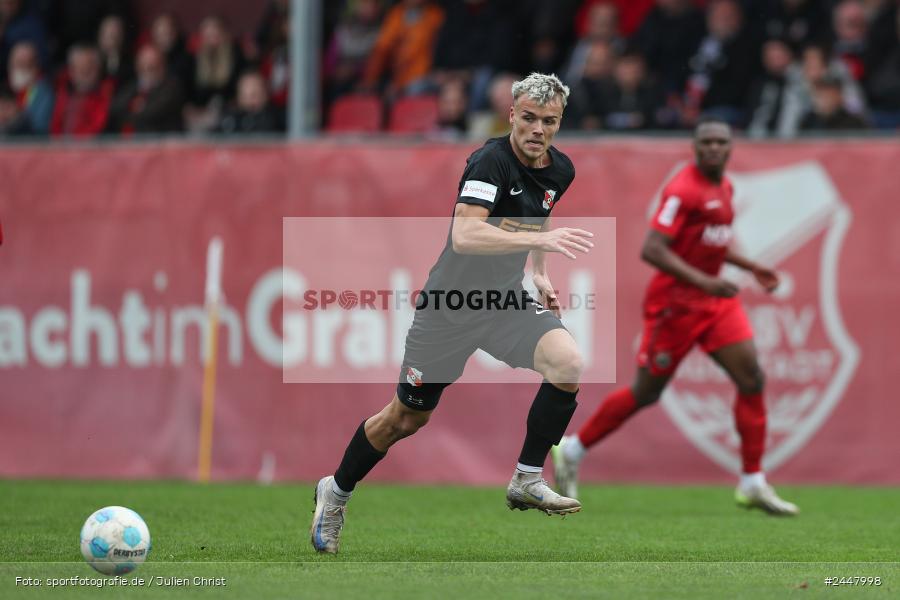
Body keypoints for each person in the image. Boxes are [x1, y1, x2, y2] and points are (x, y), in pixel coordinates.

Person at [311, 73, 595, 554]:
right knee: (404, 420)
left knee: (568, 363)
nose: (537, 130)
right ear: (511, 115)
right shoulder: (489, 162)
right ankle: (334, 493)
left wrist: (540, 271)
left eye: (548, 122)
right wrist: (538, 242)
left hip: (503, 302)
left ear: (559, 122)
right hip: (451, 307)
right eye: (528, 118)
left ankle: (526, 477)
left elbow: (540, 211)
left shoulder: (559, 169)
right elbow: (466, 236)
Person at [552, 118, 800, 516]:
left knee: (751, 377)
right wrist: (706, 280)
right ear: (695, 148)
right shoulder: (683, 190)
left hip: (714, 303)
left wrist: (751, 266)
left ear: (730, 148)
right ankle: (572, 448)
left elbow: (709, 243)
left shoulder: (726, 186)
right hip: (675, 305)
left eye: (722, 142)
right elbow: (652, 249)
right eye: (707, 143)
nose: (715, 149)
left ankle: (753, 481)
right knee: (647, 392)